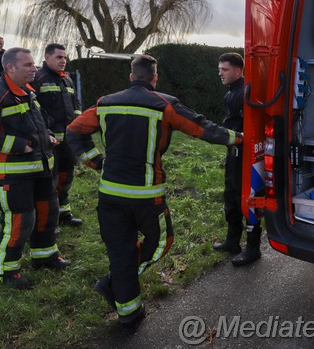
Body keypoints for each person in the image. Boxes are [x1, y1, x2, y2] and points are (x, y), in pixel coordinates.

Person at [66, 54, 242, 327]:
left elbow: (74, 131)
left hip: (109, 194)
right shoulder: (164, 104)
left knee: (121, 251)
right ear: (155, 78)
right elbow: (202, 128)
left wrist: (96, 162)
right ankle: (115, 284)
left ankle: (129, 311)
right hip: (147, 195)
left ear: (131, 76)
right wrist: (238, 138)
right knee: (161, 241)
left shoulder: (105, 103)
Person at [0, 47, 70, 290]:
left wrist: (46, 135)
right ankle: (7, 270)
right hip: (15, 175)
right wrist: (19, 146)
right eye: (27, 65)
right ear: (10, 68)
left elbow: (38, 123)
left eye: (33, 64)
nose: (33, 68)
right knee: (20, 220)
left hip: (42, 169)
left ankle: (45, 255)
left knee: (48, 214)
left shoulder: (28, 90)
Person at [212, 52, 261, 266]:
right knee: (230, 195)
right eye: (220, 68)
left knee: (248, 198)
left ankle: (253, 248)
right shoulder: (232, 93)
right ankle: (232, 242)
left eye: (225, 69)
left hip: (246, 156)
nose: (220, 73)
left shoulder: (244, 93)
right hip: (234, 154)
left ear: (238, 71)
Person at [32, 44, 83, 227]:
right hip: (49, 143)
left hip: (68, 142)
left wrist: (77, 126)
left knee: (65, 179)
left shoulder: (66, 79)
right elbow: (33, 112)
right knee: (48, 184)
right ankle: (48, 221)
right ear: (47, 57)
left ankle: (64, 215)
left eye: (65, 58)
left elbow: (75, 104)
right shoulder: (38, 79)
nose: (63, 61)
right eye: (59, 57)